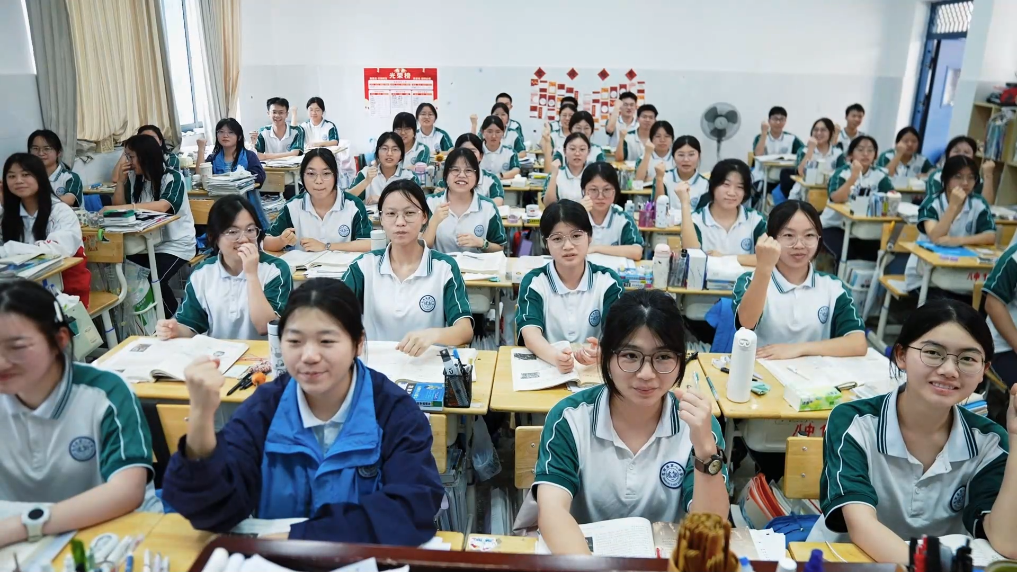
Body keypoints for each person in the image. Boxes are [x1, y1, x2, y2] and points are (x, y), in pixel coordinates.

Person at [160, 278, 444, 546]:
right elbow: (210, 511)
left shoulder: (392, 410)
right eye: (294, 341)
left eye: (326, 341)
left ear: (358, 344)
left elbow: (411, 508)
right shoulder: (266, 407)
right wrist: (201, 417)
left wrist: (300, 538)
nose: (309, 356)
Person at [817, 299, 1017, 563]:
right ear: (901, 355)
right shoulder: (854, 422)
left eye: (968, 358)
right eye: (933, 352)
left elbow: (1006, 543)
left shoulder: (990, 442)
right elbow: (862, 527)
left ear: (984, 371)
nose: (949, 370)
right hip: (853, 563)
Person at [533, 289, 729, 555]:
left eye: (663, 357)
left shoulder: (697, 424)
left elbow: (709, 529)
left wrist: (705, 451)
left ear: (681, 360)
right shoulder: (570, 418)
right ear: (605, 357)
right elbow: (552, 511)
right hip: (582, 557)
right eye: (630, 356)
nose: (646, 374)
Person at [0, 279, 155, 549]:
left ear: (59, 340)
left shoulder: (106, 393)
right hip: (21, 547)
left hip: (111, 536)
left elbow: (127, 491)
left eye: (17, 347)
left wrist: (24, 525)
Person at [341, 180, 473, 355]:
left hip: (426, 366)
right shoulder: (363, 266)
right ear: (381, 218)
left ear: (424, 216)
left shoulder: (444, 268)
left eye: (409, 213)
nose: (400, 222)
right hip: (376, 365)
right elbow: (332, 315)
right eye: (391, 213)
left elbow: (465, 330)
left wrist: (434, 335)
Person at [733, 200, 867, 359]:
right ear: (771, 239)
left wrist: (798, 349)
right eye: (788, 235)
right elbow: (746, 323)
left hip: (815, 372)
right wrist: (764, 267)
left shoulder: (833, 287)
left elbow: (858, 343)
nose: (799, 245)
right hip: (761, 369)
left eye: (809, 235)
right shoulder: (750, 280)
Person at [157, 195, 291, 341]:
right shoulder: (202, 273)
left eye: (250, 230)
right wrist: (175, 330)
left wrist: (251, 275)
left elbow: (265, 327)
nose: (244, 239)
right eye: (233, 232)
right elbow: (192, 325)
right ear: (213, 237)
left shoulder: (275, 270)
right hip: (220, 354)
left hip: (265, 353)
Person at [516, 200, 624, 373]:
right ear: (546, 244)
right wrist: (555, 357)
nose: (568, 246)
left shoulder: (608, 281)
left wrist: (603, 351)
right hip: (549, 367)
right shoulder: (535, 282)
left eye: (576, 236)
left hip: (594, 370)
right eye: (557, 239)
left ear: (589, 237)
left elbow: (618, 333)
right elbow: (530, 334)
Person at [111, 134, 197, 317]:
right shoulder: (134, 178)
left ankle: (176, 320)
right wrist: (120, 182)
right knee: (125, 276)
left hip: (176, 244)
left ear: (145, 156)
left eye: (131, 157)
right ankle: (147, 323)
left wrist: (130, 207)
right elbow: (118, 208)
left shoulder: (172, 177)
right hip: (145, 244)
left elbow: (164, 206)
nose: (128, 162)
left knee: (153, 278)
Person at [1, 154, 91, 303]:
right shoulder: (8, 214)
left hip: (64, 291)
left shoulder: (61, 211)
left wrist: (11, 249)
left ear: (40, 177)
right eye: (11, 176)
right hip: (19, 289)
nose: (18, 181)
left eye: (25, 175)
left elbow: (59, 251)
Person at [905, 156, 996, 296]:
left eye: (971, 177)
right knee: (947, 303)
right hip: (924, 277)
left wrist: (957, 241)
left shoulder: (978, 203)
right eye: (958, 177)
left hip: (960, 273)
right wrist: (953, 206)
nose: (965, 183)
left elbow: (990, 236)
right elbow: (936, 236)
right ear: (946, 179)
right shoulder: (932, 202)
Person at [264, 148, 371, 253]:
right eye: (311, 174)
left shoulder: (353, 205)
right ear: (302, 176)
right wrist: (281, 241)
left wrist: (326, 247)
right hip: (303, 265)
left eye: (326, 174)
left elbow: (368, 244)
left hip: (345, 265)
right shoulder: (293, 206)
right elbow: (265, 242)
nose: (318, 181)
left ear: (335, 175)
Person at [678, 159, 765, 266]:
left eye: (739, 187)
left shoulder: (756, 219)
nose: (731, 193)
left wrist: (724, 258)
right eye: (726, 184)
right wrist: (685, 203)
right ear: (713, 186)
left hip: (746, 277)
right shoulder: (695, 220)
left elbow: (767, 259)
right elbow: (692, 258)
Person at [820, 135, 893, 264]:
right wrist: (853, 176)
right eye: (860, 150)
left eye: (870, 150)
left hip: (864, 227)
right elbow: (836, 198)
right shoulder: (841, 173)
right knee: (847, 255)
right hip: (833, 226)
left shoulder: (879, 175)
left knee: (879, 254)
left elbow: (891, 197)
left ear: (875, 155)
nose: (865, 154)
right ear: (850, 155)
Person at [424, 148, 506, 254]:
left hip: (477, 265)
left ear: (476, 177)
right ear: (446, 175)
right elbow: (419, 247)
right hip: (439, 264)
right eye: (455, 170)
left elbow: (500, 248)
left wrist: (482, 243)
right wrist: (434, 222)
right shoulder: (430, 202)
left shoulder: (488, 207)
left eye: (468, 170)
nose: (462, 175)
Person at [197, 118, 269, 227]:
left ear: (239, 137)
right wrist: (201, 149)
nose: (225, 135)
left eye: (230, 132)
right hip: (219, 204)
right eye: (221, 132)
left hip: (244, 204)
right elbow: (200, 175)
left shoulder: (249, 156)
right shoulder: (213, 158)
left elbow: (260, 177)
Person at [584, 162, 643, 261]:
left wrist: (596, 248)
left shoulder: (623, 219)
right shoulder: (575, 216)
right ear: (584, 191)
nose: (600, 196)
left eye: (606, 190)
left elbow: (637, 252)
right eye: (593, 190)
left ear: (615, 192)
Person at [435, 134, 505, 206]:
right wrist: (438, 196)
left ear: (481, 156)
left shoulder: (491, 179)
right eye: (463, 150)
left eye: (472, 151)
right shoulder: (446, 179)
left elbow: (498, 201)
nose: (467, 155)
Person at [925, 135, 996, 204]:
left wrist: (988, 175)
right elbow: (935, 204)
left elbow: (986, 205)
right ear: (948, 155)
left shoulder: (977, 179)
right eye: (956, 151)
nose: (961, 155)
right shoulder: (937, 176)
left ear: (973, 157)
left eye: (966, 152)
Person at [788, 118, 845, 201]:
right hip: (803, 193)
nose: (818, 133)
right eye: (815, 130)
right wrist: (811, 149)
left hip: (827, 193)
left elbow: (841, 175)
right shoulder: (803, 150)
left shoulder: (838, 153)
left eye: (823, 130)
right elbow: (801, 172)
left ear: (831, 133)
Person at [349, 133, 413, 205]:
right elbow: (346, 199)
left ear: (401, 155)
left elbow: (415, 203)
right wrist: (366, 181)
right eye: (384, 149)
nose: (389, 153)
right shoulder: (366, 173)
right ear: (377, 153)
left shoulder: (409, 177)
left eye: (395, 149)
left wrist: (381, 199)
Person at [752, 106, 804, 193]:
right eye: (775, 119)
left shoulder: (791, 138)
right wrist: (764, 132)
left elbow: (803, 152)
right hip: (763, 176)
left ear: (785, 121)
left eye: (781, 119)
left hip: (784, 178)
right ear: (769, 121)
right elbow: (758, 154)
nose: (778, 122)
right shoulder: (760, 137)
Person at [27, 130, 83, 207]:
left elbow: (69, 200)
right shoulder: (27, 177)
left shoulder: (70, 177)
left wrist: (35, 203)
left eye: (47, 148)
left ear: (58, 152)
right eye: (35, 148)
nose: (40, 153)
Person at [653, 135, 710, 211]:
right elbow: (658, 210)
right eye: (681, 155)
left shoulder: (706, 185)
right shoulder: (664, 178)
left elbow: (702, 213)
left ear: (699, 156)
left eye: (691, 154)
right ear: (673, 156)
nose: (686, 159)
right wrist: (659, 178)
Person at [111, 125, 180, 186]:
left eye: (151, 138)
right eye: (142, 140)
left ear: (160, 142)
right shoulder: (135, 160)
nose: (147, 143)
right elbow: (116, 178)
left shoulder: (170, 159)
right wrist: (128, 151)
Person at [543, 133, 591, 205]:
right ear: (565, 151)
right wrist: (554, 176)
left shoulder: (593, 175)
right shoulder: (557, 174)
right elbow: (548, 204)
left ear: (588, 152)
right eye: (572, 149)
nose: (577, 153)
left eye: (582, 149)